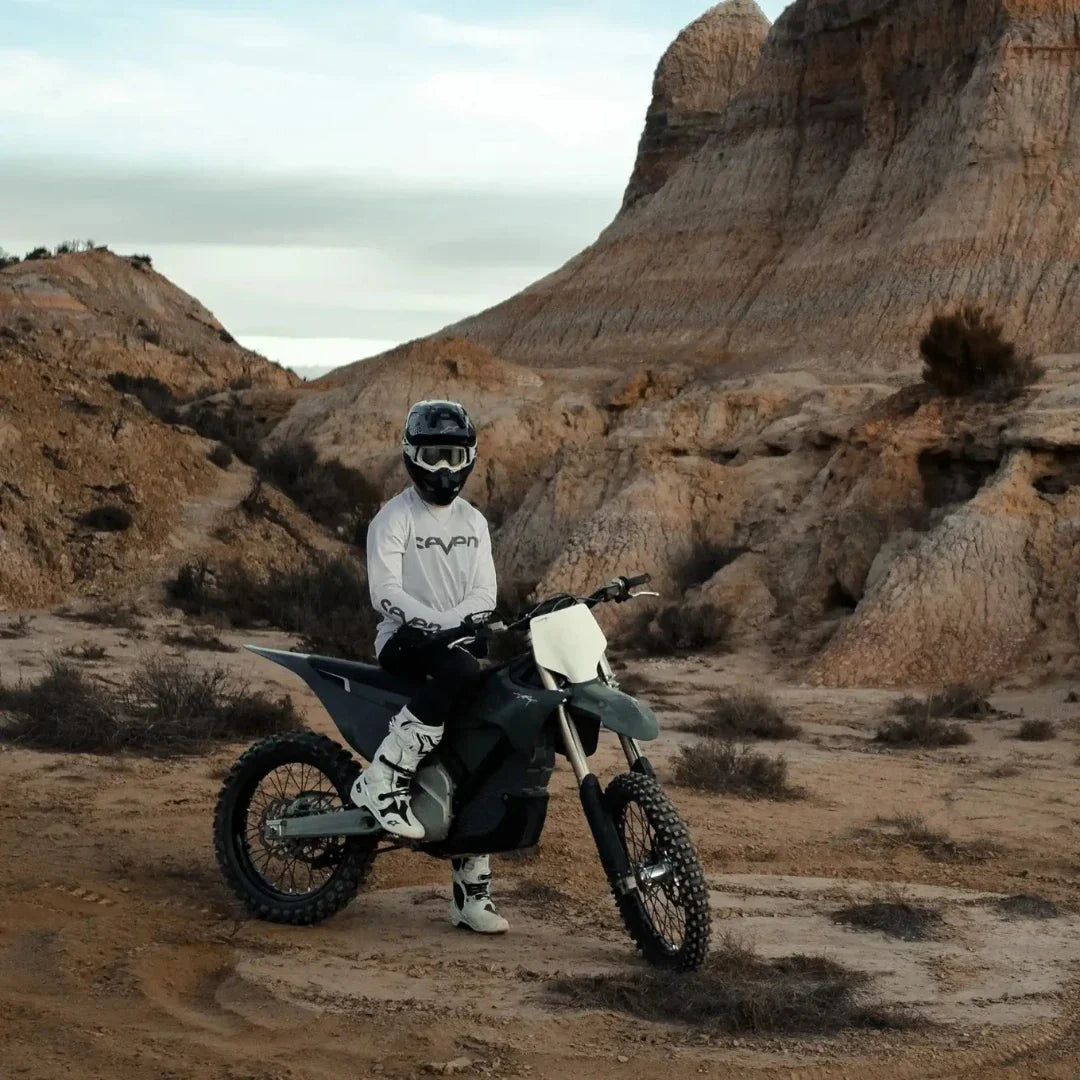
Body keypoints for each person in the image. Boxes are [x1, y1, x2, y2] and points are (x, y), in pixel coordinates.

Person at [350, 399, 508, 934]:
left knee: (478, 747)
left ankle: (471, 896)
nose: (444, 468)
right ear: (411, 455)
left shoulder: (474, 521)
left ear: (471, 458)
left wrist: (460, 625)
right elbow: (384, 592)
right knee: (462, 674)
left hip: (455, 643)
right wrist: (438, 624)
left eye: (454, 456)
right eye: (434, 455)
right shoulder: (393, 518)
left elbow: (485, 590)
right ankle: (383, 777)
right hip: (403, 640)